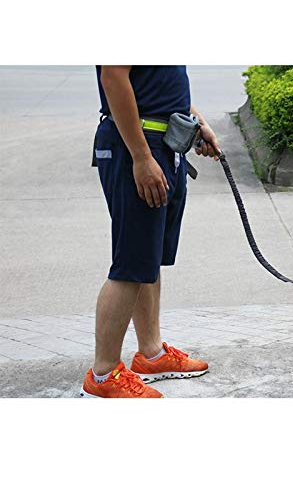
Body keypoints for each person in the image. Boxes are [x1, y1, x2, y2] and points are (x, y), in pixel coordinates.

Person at [80, 66, 220, 398]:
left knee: (147, 258)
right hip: (138, 146)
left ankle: (152, 355)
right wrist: (141, 157)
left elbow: (160, 85)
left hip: (165, 144)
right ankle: (103, 376)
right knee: (130, 264)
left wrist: (198, 123)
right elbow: (114, 78)